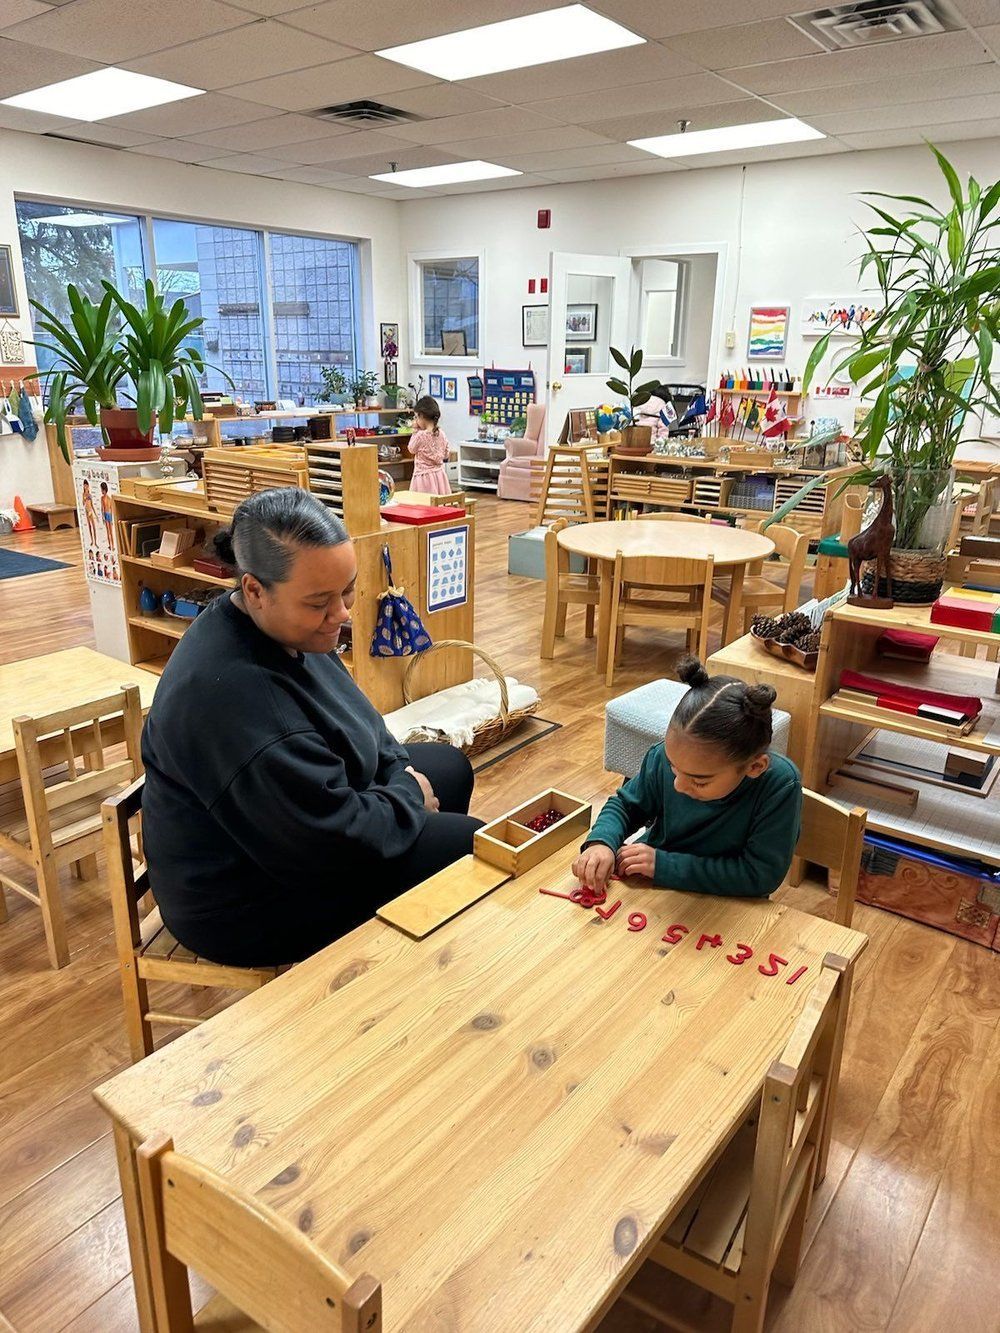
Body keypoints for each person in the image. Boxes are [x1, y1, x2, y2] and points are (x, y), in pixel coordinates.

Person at [141, 487, 481, 967]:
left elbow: (364, 722)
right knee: (466, 844)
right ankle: (399, 969)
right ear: (255, 589)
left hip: (292, 826)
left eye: (346, 591)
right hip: (242, 898)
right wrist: (406, 797)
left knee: (447, 766)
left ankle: (410, 928)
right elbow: (325, 842)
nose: (342, 615)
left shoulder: (276, 626)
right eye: (321, 601)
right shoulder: (234, 701)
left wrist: (400, 782)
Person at [573, 656, 802, 897]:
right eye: (673, 767)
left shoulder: (780, 785)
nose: (678, 785)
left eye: (699, 781)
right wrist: (601, 842)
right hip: (654, 889)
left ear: (754, 767)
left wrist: (664, 865)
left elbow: (759, 876)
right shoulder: (664, 755)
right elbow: (625, 806)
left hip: (725, 903)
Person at [407, 395, 451, 495]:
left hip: (423, 478)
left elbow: (411, 449)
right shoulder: (441, 433)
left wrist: (415, 430)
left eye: (416, 417)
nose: (416, 420)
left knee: (423, 507)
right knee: (441, 506)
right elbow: (446, 454)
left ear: (421, 416)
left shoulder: (420, 435)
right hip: (440, 476)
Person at [81, 479, 97, 546]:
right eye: (84, 485)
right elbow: (83, 503)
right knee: (89, 526)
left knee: (93, 526)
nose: (86, 486)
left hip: (90, 510)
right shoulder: (83, 494)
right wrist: (84, 499)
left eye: (86, 485)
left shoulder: (89, 494)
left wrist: (95, 514)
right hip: (86, 510)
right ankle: (92, 541)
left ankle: (95, 542)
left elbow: (92, 504)